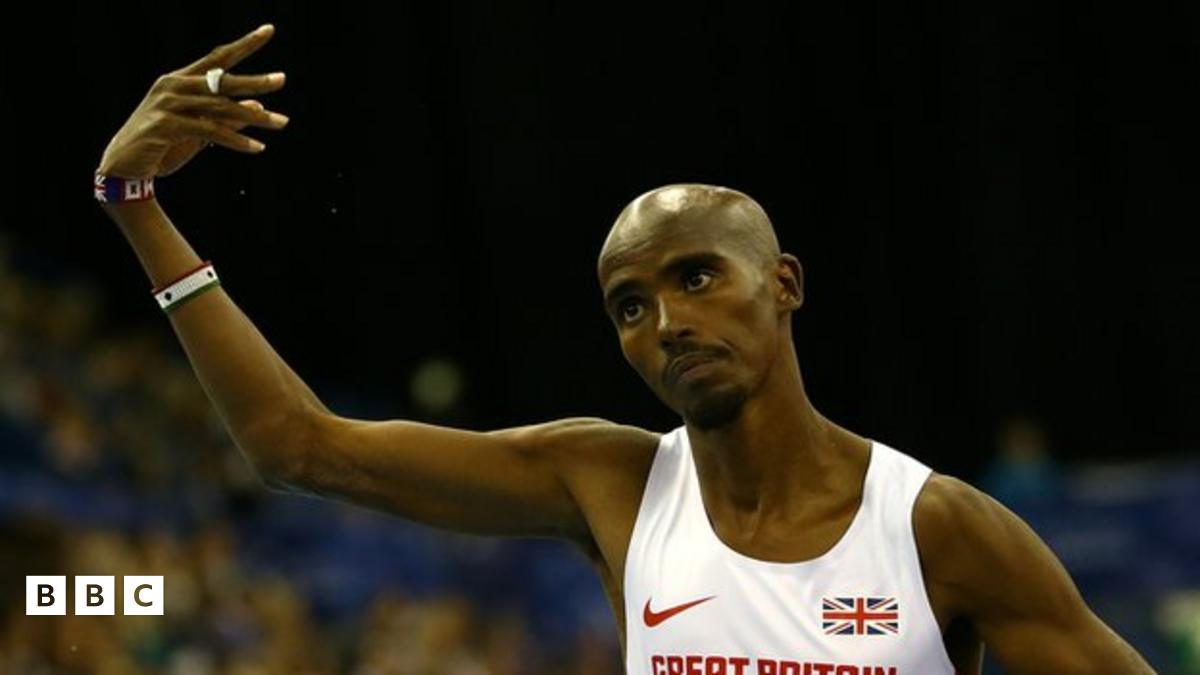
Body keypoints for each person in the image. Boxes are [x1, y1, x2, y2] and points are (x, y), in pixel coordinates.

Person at [93, 24, 1154, 675]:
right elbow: (299, 448)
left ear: (783, 285)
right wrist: (135, 202)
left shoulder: (936, 527)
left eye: (696, 277)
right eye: (630, 305)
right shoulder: (608, 483)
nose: (668, 323)